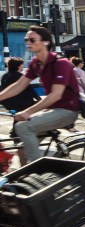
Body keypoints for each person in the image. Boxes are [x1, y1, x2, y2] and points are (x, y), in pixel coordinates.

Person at [0, 26, 80, 164]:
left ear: (46, 42)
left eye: (32, 39)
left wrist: (28, 112)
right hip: (52, 110)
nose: (28, 42)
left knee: (22, 126)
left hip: (67, 110)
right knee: (22, 150)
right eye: (26, 39)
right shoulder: (35, 63)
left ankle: (38, 171)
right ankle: (26, 181)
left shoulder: (61, 64)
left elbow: (55, 95)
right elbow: (20, 85)